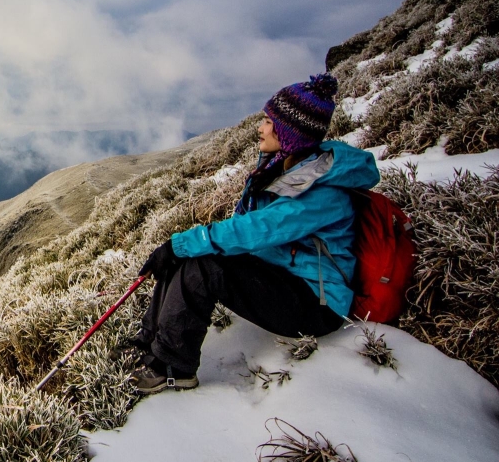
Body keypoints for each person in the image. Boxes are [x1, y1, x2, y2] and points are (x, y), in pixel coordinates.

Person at [128, 73, 380, 394]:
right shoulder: (286, 168)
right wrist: (185, 248)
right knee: (194, 254)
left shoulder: (320, 190)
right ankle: (147, 343)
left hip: (316, 306)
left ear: (289, 132)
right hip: (285, 277)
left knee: (202, 263)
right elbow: (245, 224)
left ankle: (173, 366)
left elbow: (260, 228)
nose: (260, 128)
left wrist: (181, 244)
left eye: (268, 121)